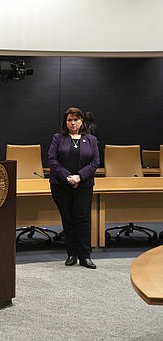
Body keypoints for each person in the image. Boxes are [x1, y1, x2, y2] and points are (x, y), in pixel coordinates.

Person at [48, 107, 99, 269]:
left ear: (82, 121)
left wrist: (79, 176)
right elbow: (52, 159)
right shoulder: (58, 138)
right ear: (66, 122)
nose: (72, 123)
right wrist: (67, 176)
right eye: (69, 120)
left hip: (84, 185)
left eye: (76, 120)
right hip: (61, 184)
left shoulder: (91, 139)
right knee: (68, 218)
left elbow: (95, 162)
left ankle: (85, 256)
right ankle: (71, 253)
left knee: (82, 219)